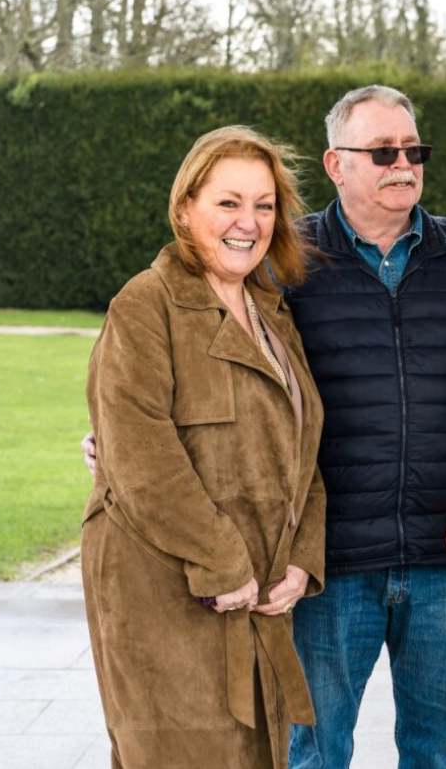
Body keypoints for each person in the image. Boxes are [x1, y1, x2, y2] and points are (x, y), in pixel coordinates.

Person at [83, 85, 446, 768]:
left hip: (441, 558)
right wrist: (115, 437)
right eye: (382, 151)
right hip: (329, 566)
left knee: (442, 752)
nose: (403, 164)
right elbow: (186, 365)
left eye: (413, 150)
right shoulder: (281, 264)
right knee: (309, 751)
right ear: (336, 164)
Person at [81, 125, 325, 768]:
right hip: (166, 593)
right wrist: (224, 564)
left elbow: (305, 449)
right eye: (229, 202)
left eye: (264, 205)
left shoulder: (271, 312)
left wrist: (301, 558)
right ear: (185, 207)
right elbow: (140, 459)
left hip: (258, 598)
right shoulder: (145, 305)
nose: (249, 221)